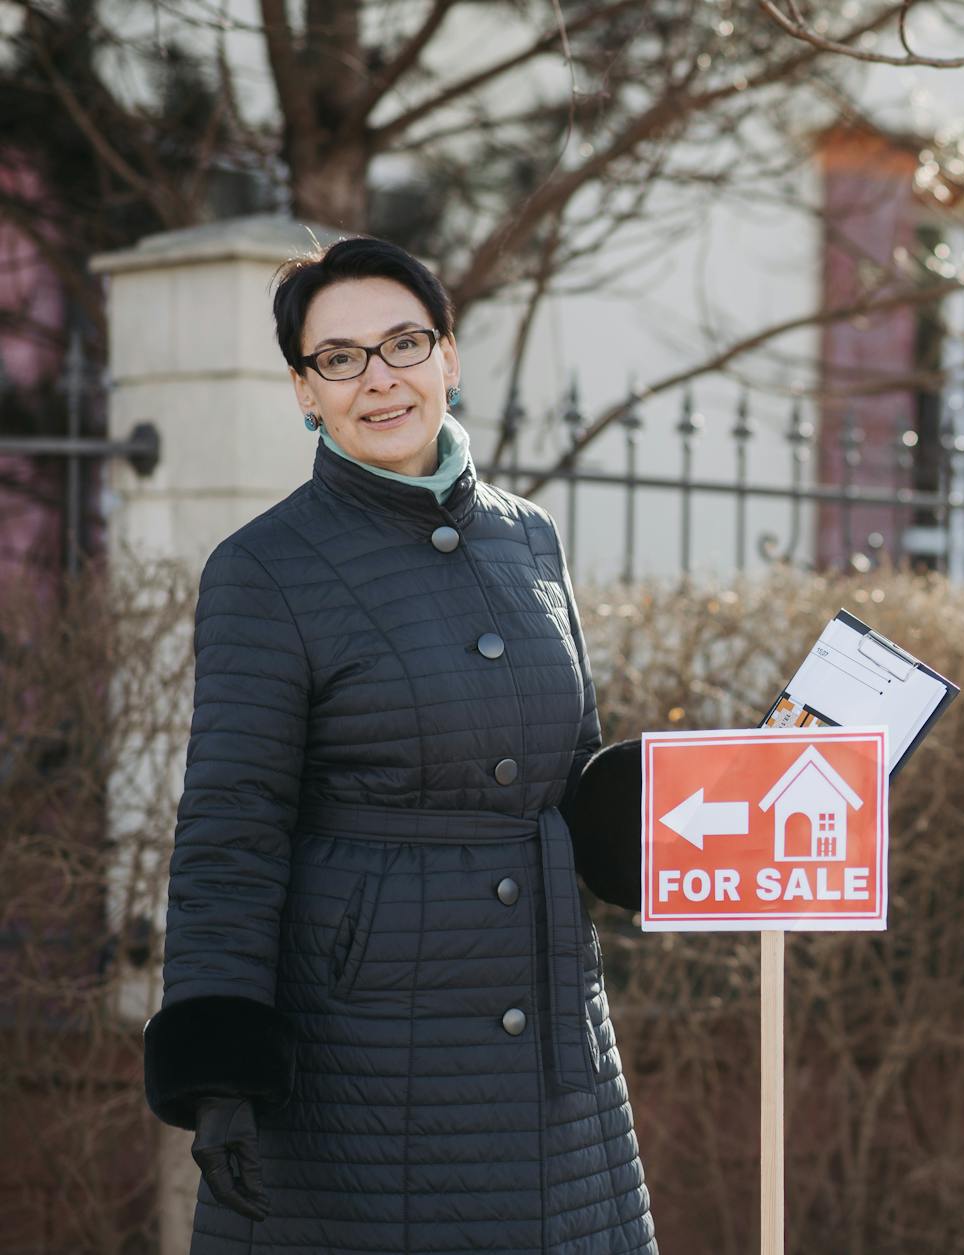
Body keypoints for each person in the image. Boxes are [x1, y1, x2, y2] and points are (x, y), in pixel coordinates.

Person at [140, 235, 654, 1253]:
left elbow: (570, 778)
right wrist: (219, 1070)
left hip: (554, 1049)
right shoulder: (264, 569)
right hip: (360, 1060)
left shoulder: (529, 538)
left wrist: (736, 781)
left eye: (403, 343)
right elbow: (231, 828)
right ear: (305, 390)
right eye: (340, 358)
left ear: (448, 357)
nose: (379, 378)